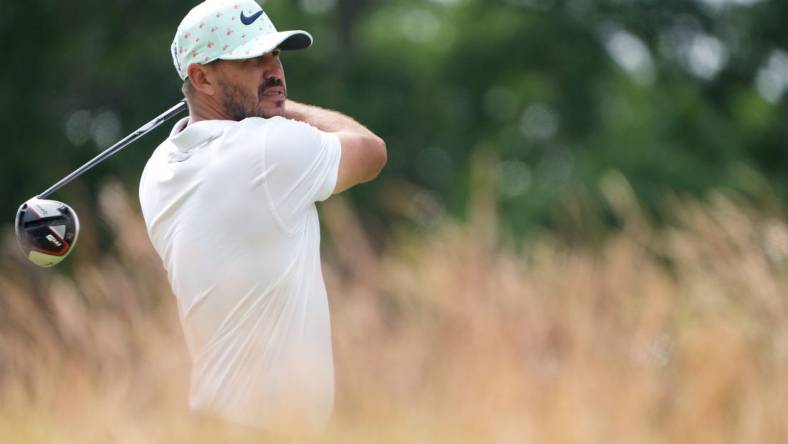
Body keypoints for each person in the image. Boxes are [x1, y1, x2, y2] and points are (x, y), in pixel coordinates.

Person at [138, 0, 386, 435]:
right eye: (252, 59)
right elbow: (370, 151)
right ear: (201, 77)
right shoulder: (266, 149)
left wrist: (258, 100)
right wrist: (282, 106)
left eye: (275, 55)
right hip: (265, 430)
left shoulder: (159, 167)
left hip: (212, 421)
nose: (274, 70)